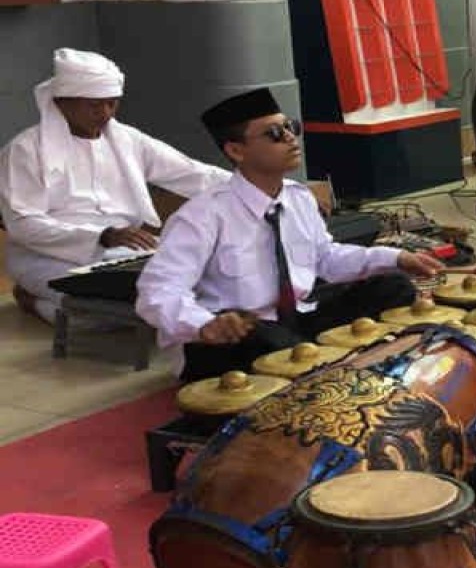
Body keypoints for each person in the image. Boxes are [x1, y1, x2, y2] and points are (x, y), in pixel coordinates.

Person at [135, 88, 444, 382]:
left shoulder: (298, 197)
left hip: (296, 318)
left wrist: (397, 257)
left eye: (290, 127)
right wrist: (204, 324)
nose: (290, 138)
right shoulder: (202, 215)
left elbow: (326, 258)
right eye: (274, 133)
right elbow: (157, 291)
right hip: (235, 335)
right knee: (272, 342)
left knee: (393, 287)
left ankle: (331, 364)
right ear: (235, 150)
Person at [0, 48, 229, 323]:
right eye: (94, 105)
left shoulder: (128, 140)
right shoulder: (26, 149)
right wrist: (101, 235)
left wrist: (259, 183)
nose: (105, 113)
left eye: (112, 103)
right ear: (62, 102)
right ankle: (32, 298)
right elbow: (23, 225)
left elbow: (194, 174)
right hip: (44, 255)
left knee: (198, 285)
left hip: (125, 250)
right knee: (101, 316)